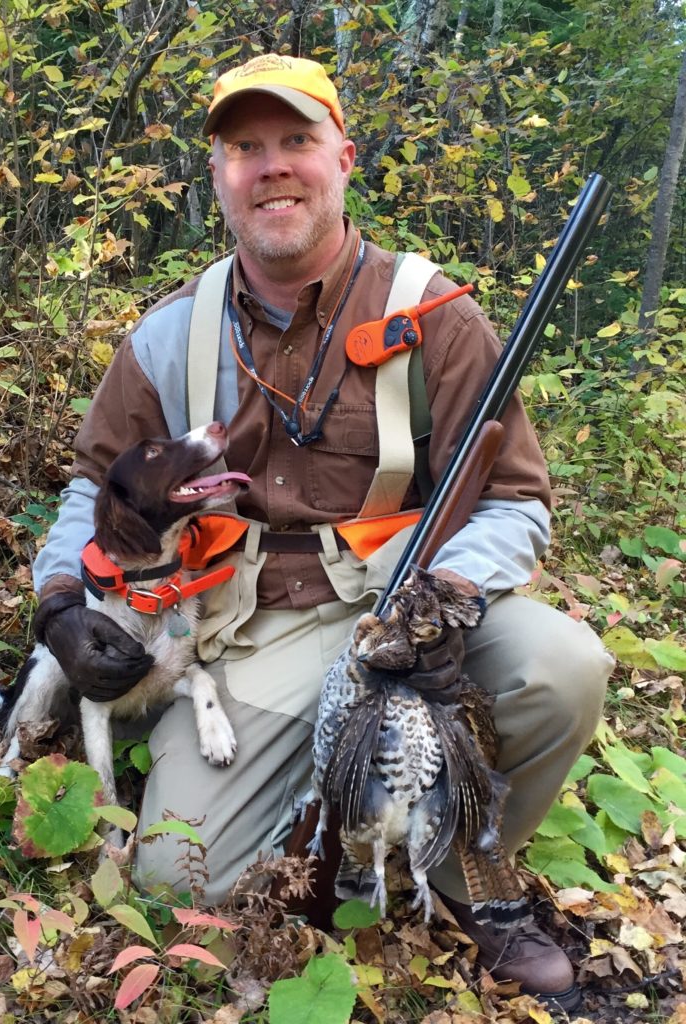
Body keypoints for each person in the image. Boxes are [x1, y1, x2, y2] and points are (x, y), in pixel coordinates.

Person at [32, 53, 614, 1012]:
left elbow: (516, 503)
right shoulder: (169, 335)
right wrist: (59, 600)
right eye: (245, 149)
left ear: (343, 157)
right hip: (237, 626)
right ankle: (328, 825)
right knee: (180, 884)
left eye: (297, 141)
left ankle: (477, 879)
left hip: (406, 603)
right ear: (216, 174)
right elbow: (91, 484)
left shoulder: (436, 316)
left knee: (563, 667)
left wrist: (448, 598)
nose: (274, 168)